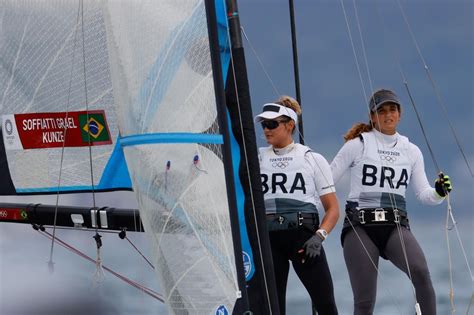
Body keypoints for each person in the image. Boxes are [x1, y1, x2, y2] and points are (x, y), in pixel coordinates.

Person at [330, 88, 453, 315]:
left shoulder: (411, 151)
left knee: (421, 272)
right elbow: (327, 180)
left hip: (395, 227)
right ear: (372, 116)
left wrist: (439, 192)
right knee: (365, 301)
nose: (388, 115)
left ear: (400, 114)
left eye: (393, 110)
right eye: (382, 111)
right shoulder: (357, 145)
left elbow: (424, 194)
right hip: (359, 229)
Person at [255, 95, 340, 315]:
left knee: (326, 306)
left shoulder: (312, 158)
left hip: (304, 240)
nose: (266, 129)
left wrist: (319, 237)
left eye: (272, 124)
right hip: (269, 241)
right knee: (272, 310)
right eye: (264, 124)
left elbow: (333, 208)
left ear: (290, 125)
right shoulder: (255, 159)